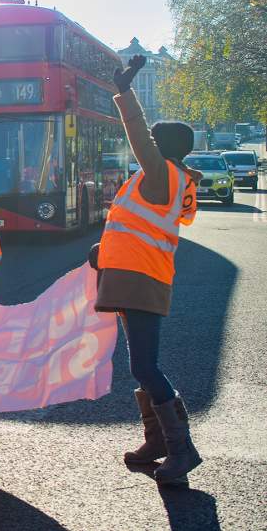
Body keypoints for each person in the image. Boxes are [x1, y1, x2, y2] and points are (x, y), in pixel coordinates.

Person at [95, 56, 201, 487]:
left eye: (154, 143)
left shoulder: (160, 173)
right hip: (132, 274)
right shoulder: (163, 178)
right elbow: (133, 224)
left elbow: (137, 133)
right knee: (140, 364)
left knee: (145, 366)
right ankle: (158, 443)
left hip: (141, 277)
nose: (147, 147)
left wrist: (125, 94)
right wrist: (102, 252)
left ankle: (181, 448)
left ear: (163, 148)